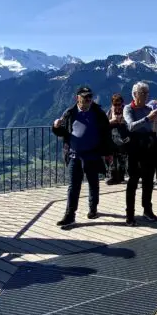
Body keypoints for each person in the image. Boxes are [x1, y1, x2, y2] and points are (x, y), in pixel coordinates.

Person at [52, 85, 113, 228]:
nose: (88, 99)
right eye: (85, 97)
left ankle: (93, 208)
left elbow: (106, 134)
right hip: (74, 155)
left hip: (92, 154)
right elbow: (63, 133)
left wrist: (108, 152)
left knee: (93, 183)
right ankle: (70, 215)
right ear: (77, 98)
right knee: (73, 186)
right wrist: (55, 127)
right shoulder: (70, 113)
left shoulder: (98, 113)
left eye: (90, 97)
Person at [123, 81, 157, 225]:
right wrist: (148, 118)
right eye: (143, 93)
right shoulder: (128, 109)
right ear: (134, 94)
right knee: (133, 181)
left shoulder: (148, 108)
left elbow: (155, 126)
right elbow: (130, 126)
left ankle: (147, 209)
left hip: (149, 147)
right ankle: (130, 214)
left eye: (147, 93)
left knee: (148, 181)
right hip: (135, 148)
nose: (146, 96)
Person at [105, 93, 128, 185]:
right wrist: (112, 121)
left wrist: (123, 122)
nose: (118, 106)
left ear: (122, 103)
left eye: (119, 104)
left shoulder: (126, 111)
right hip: (112, 138)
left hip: (124, 138)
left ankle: (121, 177)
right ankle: (113, 177)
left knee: (122, 159)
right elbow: (104, 124)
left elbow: (131, 122)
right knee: (112, 159)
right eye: (115, 104)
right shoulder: (109, 112)